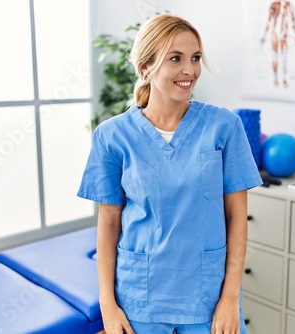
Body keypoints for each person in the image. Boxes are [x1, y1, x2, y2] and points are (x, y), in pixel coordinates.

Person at [78, 13, 262, 334]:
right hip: (141, 296)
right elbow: (108, 223)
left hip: (207, 297)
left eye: (195, 58)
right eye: (175, 58)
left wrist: (230, 298)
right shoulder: (112, 136)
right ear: (146, 67)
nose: (189, 70)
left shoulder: (225, 127)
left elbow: (237, 218)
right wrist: (108, 303)